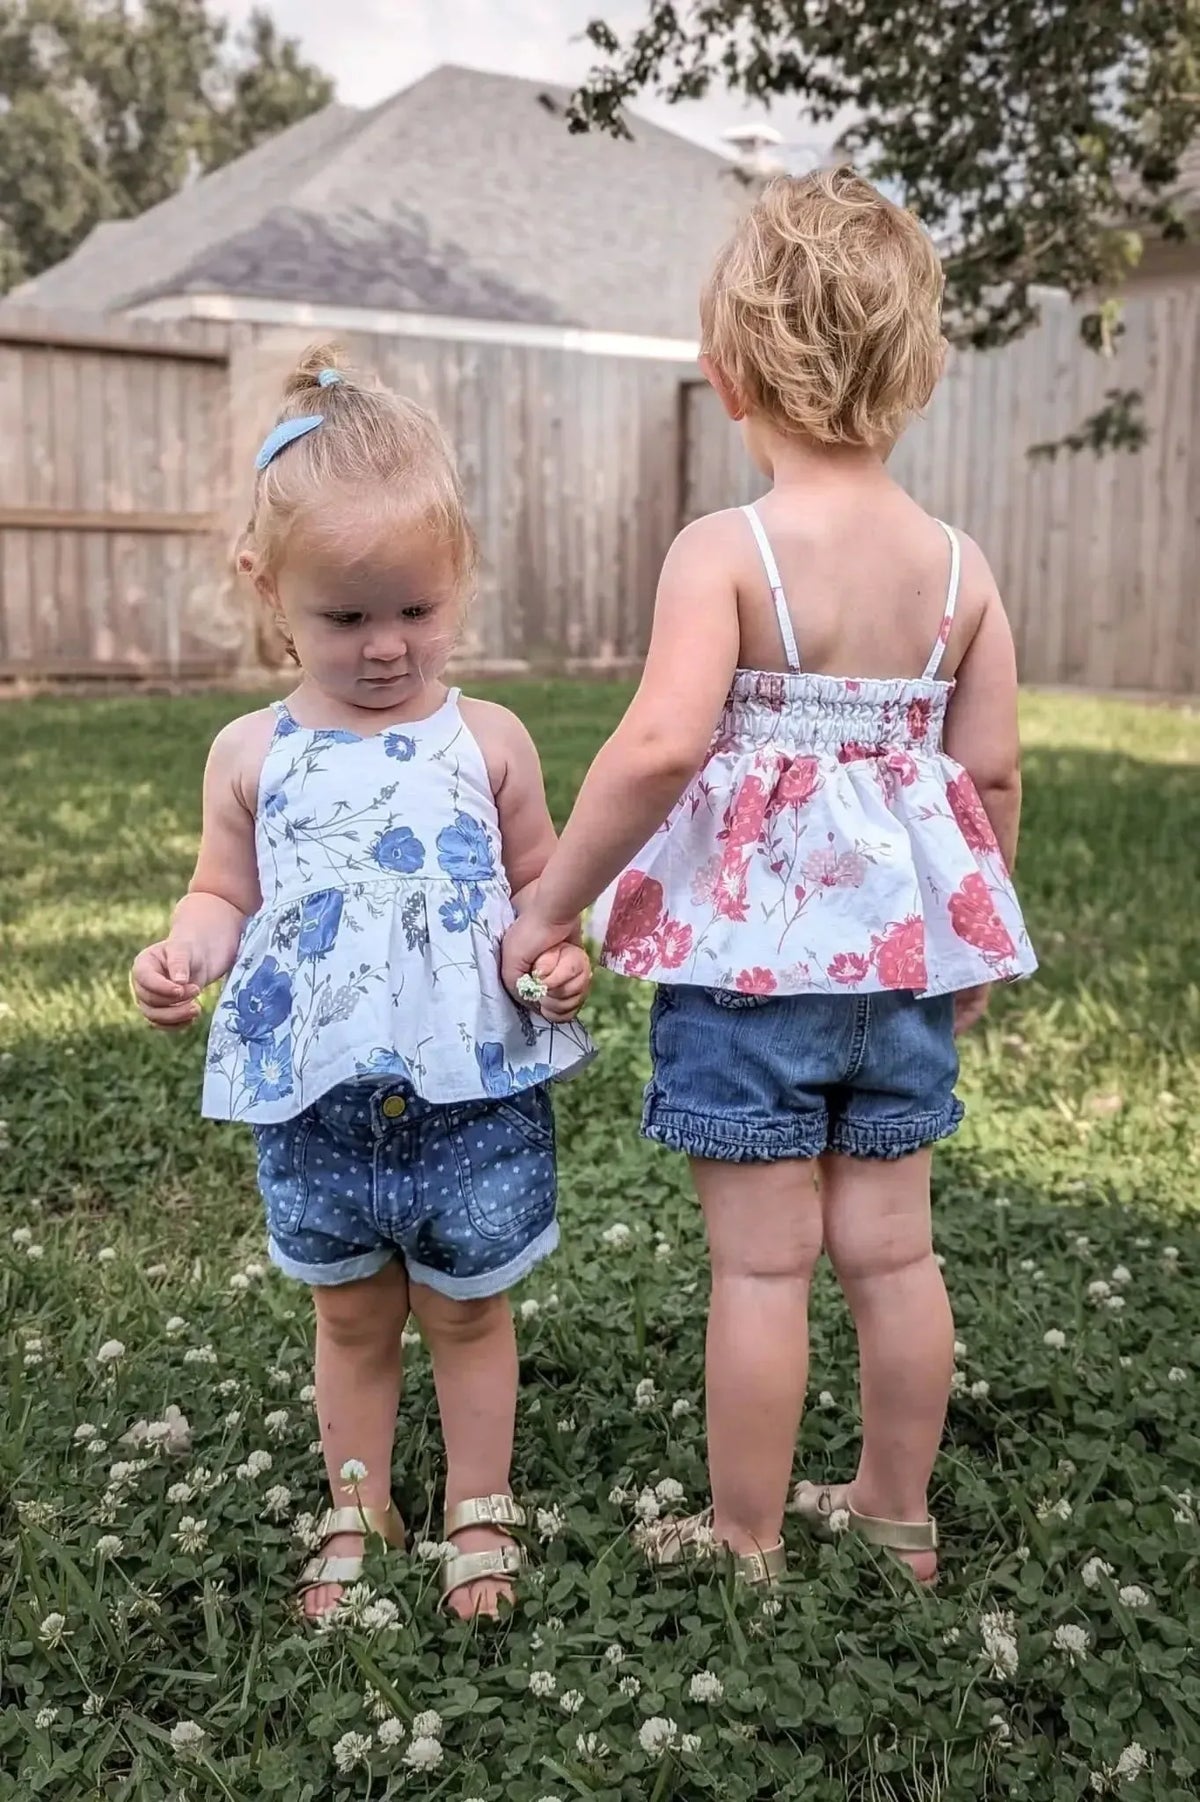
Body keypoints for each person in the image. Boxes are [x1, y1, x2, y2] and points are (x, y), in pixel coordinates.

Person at [503, 169, 1036, 1586]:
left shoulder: (724, 553)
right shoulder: (961, 570)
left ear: (727, 370)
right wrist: (969, 950)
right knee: (893, 1252)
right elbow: (989, 783)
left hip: (752, 978)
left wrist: (555, 900)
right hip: (902, 980)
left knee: (761, 1269)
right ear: (918, 368)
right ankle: (895, 1511)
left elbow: (666, 740)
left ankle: (743, 1535)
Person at [131, 345, 593, 1620]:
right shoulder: (250, 753)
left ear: (459, 582)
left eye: (417, 609)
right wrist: (188, 952)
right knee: (349, 1318)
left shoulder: (487, 739)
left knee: (467, 1312)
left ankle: (478, 1508)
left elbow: (542, 893)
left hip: (471, 1091)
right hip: (318, 1098)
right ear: (269, 589)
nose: (388, 646)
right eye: (346, 618)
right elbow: (224, 891)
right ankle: (358, 1499)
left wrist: (558, 959)